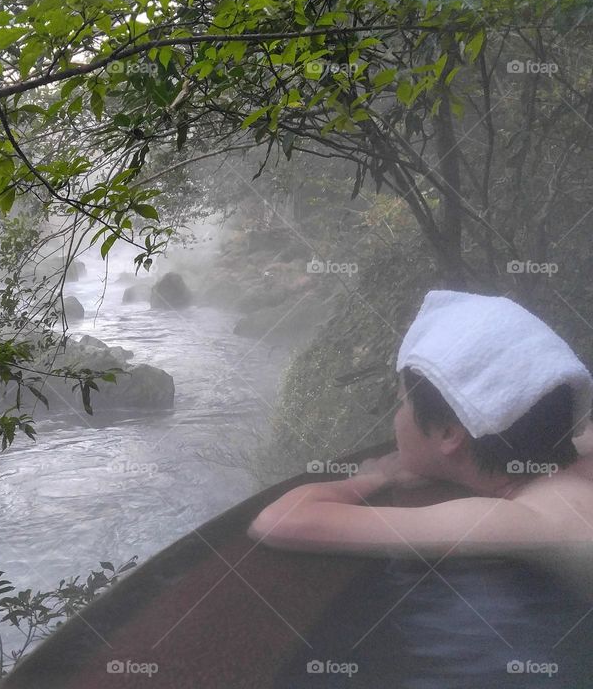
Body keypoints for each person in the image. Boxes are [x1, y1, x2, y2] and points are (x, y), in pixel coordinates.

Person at [247, 290, 593, 687]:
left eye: (402, 404)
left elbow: (281, 521)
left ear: (448, 433)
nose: (395, 420)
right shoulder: (577, 459)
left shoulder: (525, 518)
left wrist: (375, 478)